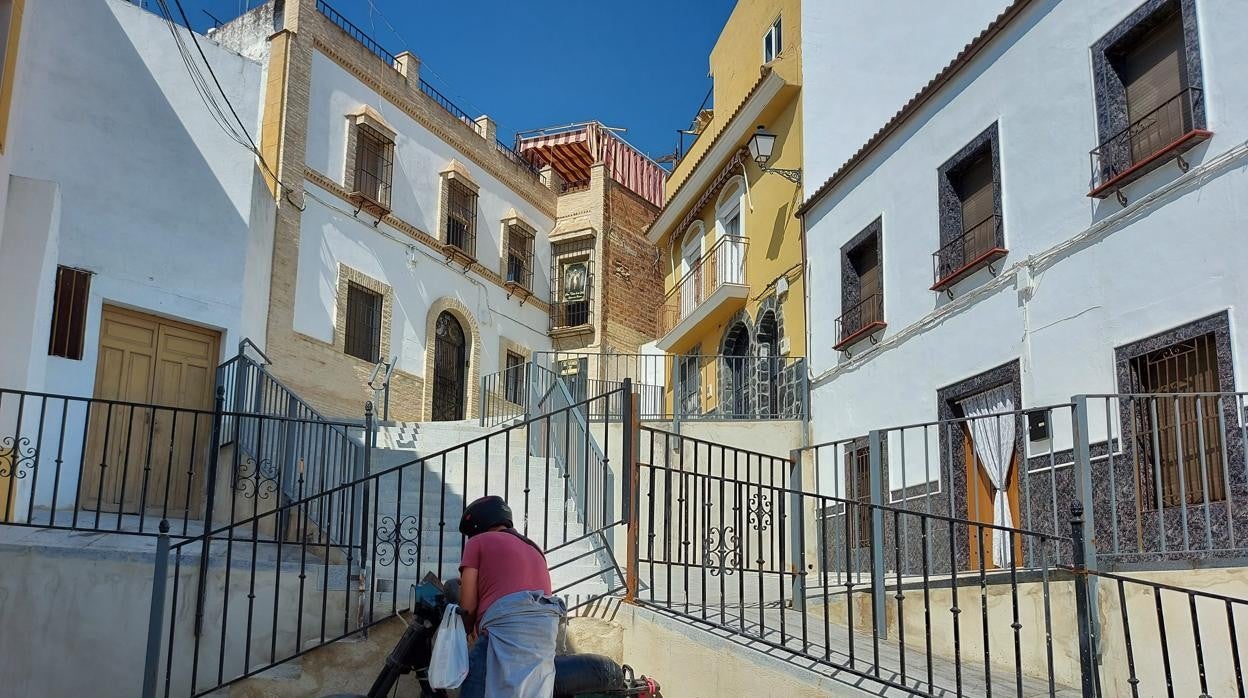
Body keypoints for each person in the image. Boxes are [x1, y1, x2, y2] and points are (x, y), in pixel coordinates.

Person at [456, 495, 565, 698]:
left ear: (478, 526)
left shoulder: (478, 542)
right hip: (544, 632)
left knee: (475, 687)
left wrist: (466, 630)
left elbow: (468, 605)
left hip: (505, 626)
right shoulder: (534, 548)